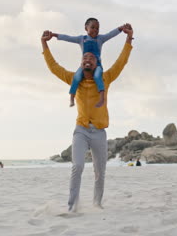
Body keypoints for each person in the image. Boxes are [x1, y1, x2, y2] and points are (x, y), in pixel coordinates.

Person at [41, 24, 134, 212]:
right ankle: (71, 206)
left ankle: (97, 203)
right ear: (81, 63)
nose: (87, 59)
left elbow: (121, 61)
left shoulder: (105, 78)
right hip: (81, 130)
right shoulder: (73, 79)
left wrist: (128, 39)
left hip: (99, 132)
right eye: (84, 57)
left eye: (91, 57)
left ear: (97, 62)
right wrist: (44, 44)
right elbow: (53, 67)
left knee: (100, 172)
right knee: (77, 167)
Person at [51, 19, 127, 108]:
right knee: (77, 77)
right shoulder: (81, 39)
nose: (95, 30)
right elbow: (68, 38)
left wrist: (121, 28)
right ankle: (72, 97)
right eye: (93, 27)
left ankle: (102, 98)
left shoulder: (100, 39)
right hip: (85, 66)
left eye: (97, 28)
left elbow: (110, 34)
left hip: (97, 65)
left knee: (98, 76)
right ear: (86, 28)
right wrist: (54, 35)